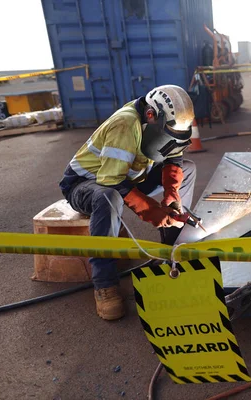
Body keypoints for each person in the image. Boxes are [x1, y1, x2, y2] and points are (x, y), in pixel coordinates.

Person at [59, 85, 197, 321]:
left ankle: (171, 251)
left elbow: (174, 156)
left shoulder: (158, 120)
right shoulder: (125, 125)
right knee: (108, 197)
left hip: (128, 176)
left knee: (189, 169)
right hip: (86, 185)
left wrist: (171, 194)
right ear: (151, 115)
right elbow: (111, 182)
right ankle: (104, 284)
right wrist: (154, 212)